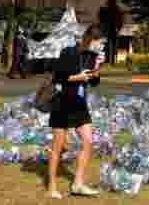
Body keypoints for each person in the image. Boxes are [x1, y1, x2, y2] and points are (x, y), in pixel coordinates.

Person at [47, 23, 103, 199]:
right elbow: (58, 77)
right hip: (62, 103)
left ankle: (77, 184)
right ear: (89, 39)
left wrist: (97, 69)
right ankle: (51, 187)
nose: (98, 46)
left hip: (79, 103)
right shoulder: (68, 52)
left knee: (88, 141)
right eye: (97, 42)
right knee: (57, 147)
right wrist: (78, 77)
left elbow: (93, 82)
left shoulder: (91, 56)